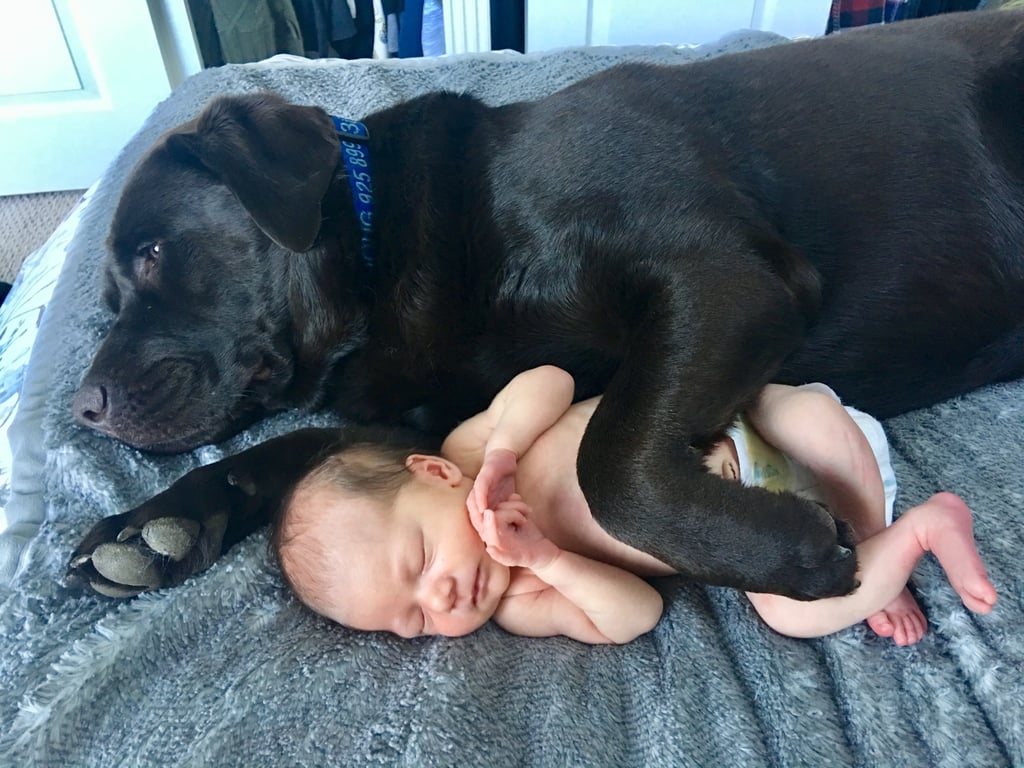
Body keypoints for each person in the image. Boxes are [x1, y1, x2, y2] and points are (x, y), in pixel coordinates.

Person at [273, 366, 997, 645]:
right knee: (788, 612)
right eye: (417, 621)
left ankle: (867, 533)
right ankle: (913, 535)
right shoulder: (524, 598)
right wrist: (552, 562)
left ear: (432, 473)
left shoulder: (474, 448)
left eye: (421, 560)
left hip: (744, 422)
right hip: (759, 530)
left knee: (807, 418)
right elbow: (636, 615)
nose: (442, 596)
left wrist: (503, 451)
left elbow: (551, 380)